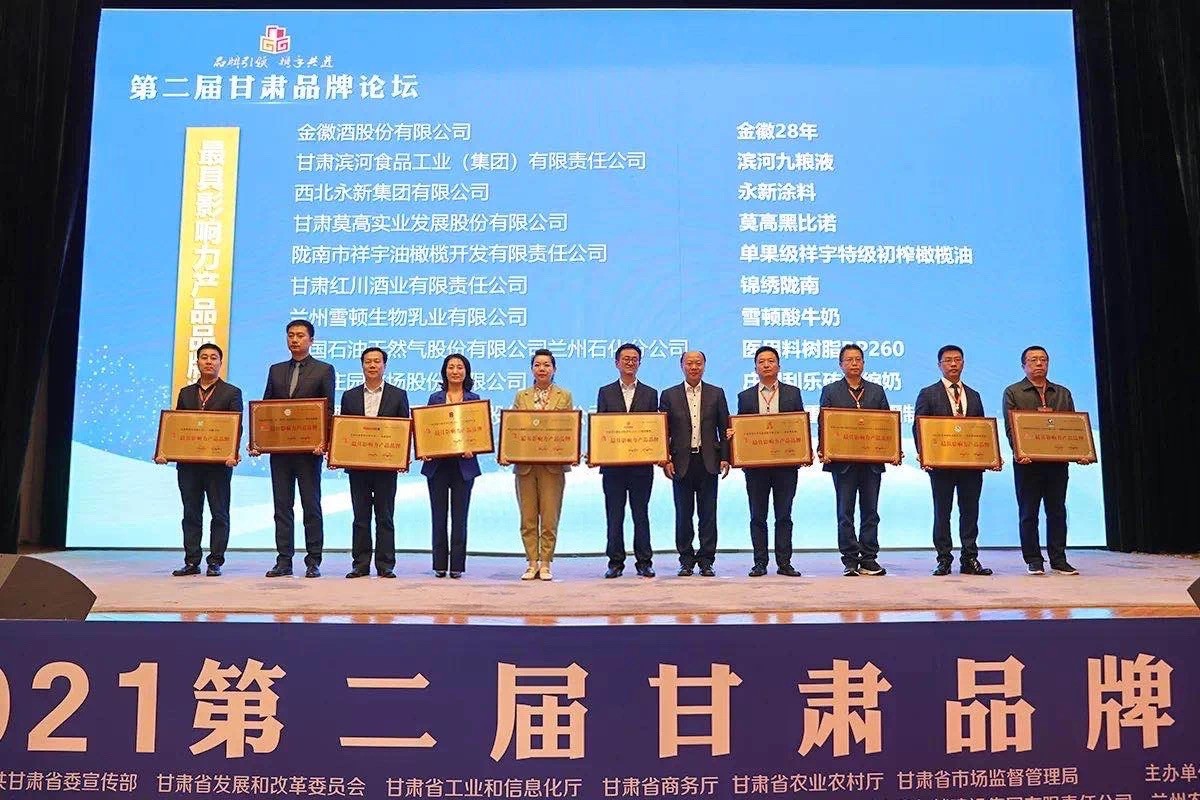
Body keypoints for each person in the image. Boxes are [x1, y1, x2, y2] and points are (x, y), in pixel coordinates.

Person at [250, 319, 335, 579]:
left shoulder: (324, 370)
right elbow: (265, 409)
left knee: (311, 506)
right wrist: (258, 440)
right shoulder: (276, 370)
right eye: (290, 335)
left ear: (311, 340)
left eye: (300, 335)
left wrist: (324, 441)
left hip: (309, 452)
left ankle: (313, 560)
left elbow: (328, 409)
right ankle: (284, 560)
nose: (295, 339)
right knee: (282, 507)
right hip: (280, 451)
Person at [1001, 345, 1091, 576]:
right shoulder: (1013, 392)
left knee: (1057, 511)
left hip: (1057, 464)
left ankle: (1059, 559)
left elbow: (1072, 427)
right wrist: (1019, 451)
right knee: (1028, 513)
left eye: (1043, 359)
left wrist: (1080, 452)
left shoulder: (1062, 393)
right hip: (1027, 463)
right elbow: (1011, 428)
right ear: (1023, 365)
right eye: (1033, 360)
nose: (1039, 363)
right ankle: (1033, 559)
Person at [157, 343, 243, 577]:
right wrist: (166, 451)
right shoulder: (186, 393)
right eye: (204, 357)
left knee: (219, 514)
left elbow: (236, 426)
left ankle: (215, 561)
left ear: (220, 363)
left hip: (219, 465)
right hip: (189, 465)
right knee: (191, 513)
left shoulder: (231, 392)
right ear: (197, 362)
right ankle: (192, 561)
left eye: (214, 358)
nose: (208, 361)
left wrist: (232, 452)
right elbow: (177, 426)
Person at [913, 345, 994, 576]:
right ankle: (944, 559)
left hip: (971, 466)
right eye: (948, 360)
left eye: (957, 360)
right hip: (941, 465)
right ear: (939, 365)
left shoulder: (974, 395)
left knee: (970, 512)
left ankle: (970, 558)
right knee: (943, 512)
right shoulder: (928, 393)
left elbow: (981, 430)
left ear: (963, 363)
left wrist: (988, 455)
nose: (953, 364)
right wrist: (925, 455)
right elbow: (919, 427)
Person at [818, 343, 898, 577]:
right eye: (849, 360)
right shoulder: (831, 391)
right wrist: (823, 449)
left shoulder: (876, 391)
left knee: (871, 512)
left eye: (858, 359)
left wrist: (893, 450)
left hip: (872, 463)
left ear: (863, 363)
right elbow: (824, 424)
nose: (854, 363)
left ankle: (869, 558)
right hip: (842, 464)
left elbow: (887, 424)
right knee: (845, 513)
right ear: (840, 364)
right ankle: (850, 559)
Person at [499, 349, 572, 581]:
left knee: (550, 517)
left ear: (554, 369)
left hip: (553, 467)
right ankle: (531, 562)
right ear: (532, 369)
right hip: (525, 466)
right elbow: (513, 427)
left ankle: (546, 562)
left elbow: (569, 428)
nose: (542, 369)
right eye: (538, 365)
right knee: (528, 517)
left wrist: (570, 452)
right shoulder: (522, 396)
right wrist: (505, 452)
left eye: (547, 365)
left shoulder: (564, 395)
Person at [733, 345, 805, 577]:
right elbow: (741, 429)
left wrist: (803, 451)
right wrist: (734, 436)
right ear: (755, 368)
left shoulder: (793, 393)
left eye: (771, 361)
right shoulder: (745, 397)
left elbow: (799, 425)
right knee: (757, 516)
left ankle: (784, 563)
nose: (766, 365)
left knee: (784, 516)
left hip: (786, 466)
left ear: (778, 366)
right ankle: (760, 562)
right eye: (761, 362)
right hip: (756, 468)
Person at [339, 347, 410, 579]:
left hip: (386, 467)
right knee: (360, 517)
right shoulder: (349, 396)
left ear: (384, 366)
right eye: (368, 361)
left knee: (385, 516)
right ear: (362, 366)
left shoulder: (398, 395)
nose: (372, 365)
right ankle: (360, 564)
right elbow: (343, 429)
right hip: (358, 467)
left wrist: (402, 457)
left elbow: (403, 429)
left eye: (377, 361)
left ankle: (385, 565)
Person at [659, 351, 730, 577]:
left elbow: (724, 427)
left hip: (708, 461)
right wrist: (666, 459)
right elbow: (663, 431)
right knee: (683, 514)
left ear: (704, 366)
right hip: (681, 462)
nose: (694, 367)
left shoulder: (716, 393)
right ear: (682, 366)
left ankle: (707, 560)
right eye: (689, 363)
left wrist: (726, 457)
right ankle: (686, 560)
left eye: (698, 363)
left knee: (708, 514)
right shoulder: (669, 395)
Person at [595, 343, 659, 579]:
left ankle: (644, 562)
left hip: (642, 467)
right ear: (617, 363)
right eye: (625, 358)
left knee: (641, 514)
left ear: (639, 363)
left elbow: (655, 429)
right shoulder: (605, 392)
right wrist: (596, 452)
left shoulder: (650, 393)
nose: (630, 362)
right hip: (613, 467)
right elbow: (601, 427)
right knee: (614, 516)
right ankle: (615, 562)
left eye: (634, 359)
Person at [421, 353, 481, 579]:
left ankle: (457, 565)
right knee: (438, 517)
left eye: (460, 367)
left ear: (466, 372)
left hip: (463, 466)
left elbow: (479, 432)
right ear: (444, 371)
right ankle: (439, 564)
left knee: (460, 518)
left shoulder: (474, 399)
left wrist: (474, 447)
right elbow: (427, 429)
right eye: (451, 367)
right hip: (437, 466)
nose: (455, 371)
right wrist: (425, 449)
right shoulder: (435, 398)